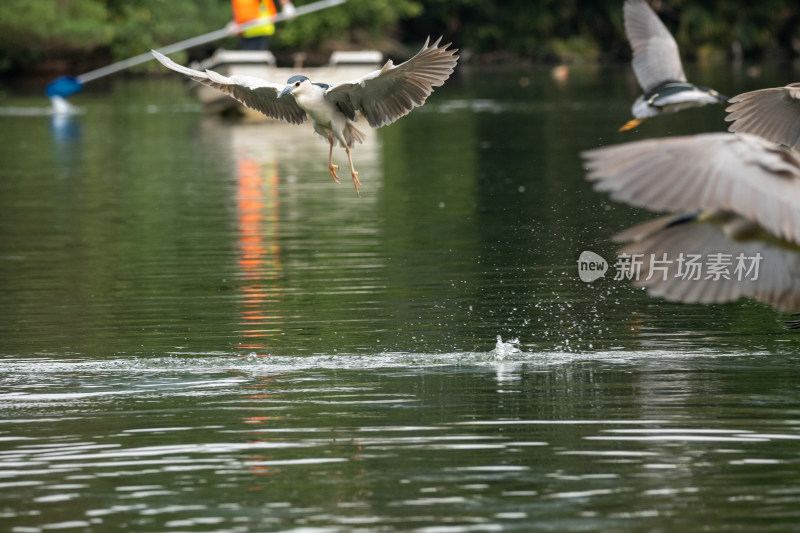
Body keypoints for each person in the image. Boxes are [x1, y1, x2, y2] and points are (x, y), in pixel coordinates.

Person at [229, 0, 296, 51]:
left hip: (261, 28)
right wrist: (234, 23)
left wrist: (286, 5)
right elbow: (240, 9)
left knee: (257, 61)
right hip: (245, 31)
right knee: (246, 62)